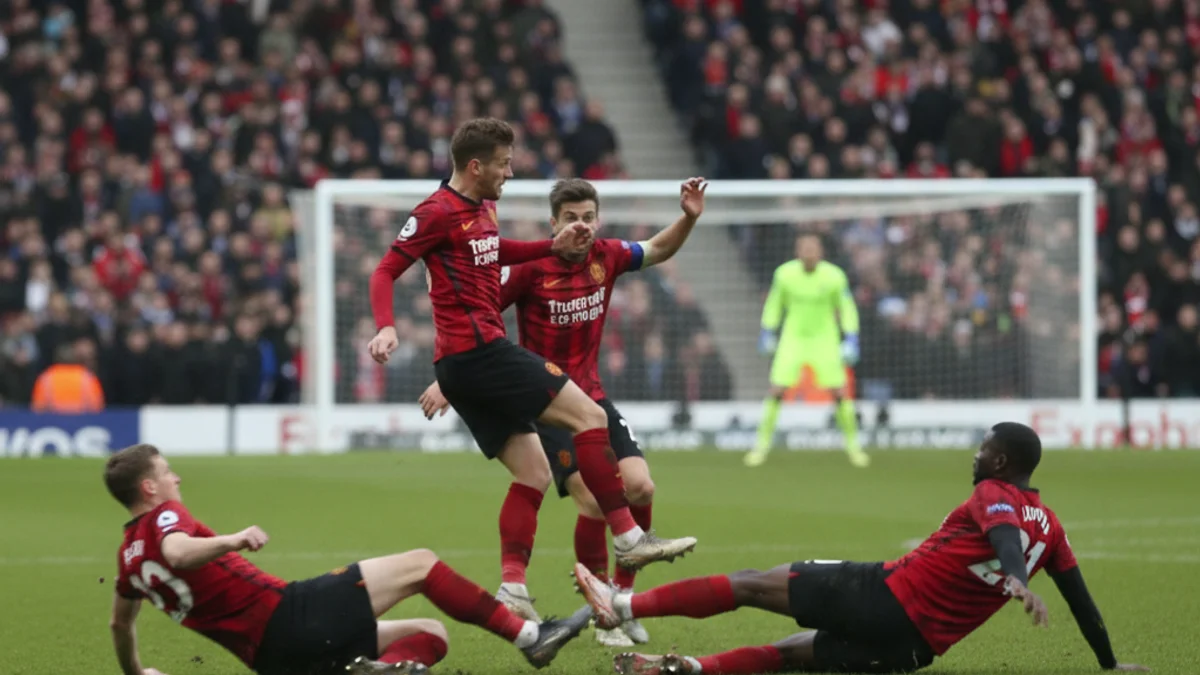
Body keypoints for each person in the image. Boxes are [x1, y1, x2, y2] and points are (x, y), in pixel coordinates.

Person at [367, 118, 697, 622]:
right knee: (589, 418)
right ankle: (628, 538)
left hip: (464, 363)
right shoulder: (435, 212)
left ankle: (514, 589)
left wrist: (553, 245)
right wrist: (387, 326)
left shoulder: (485, 211)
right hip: (481, 353)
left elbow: (492, 253)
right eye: (503, 163)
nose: (511, 172)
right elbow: (386, 268)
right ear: (476, 166)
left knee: (533, 472)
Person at [574, 423, 1150, 675]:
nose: (976, 456)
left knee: (752, 582)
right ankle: (695, 669)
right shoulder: (1052, 526)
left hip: (881, 594)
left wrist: (1018, 577)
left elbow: (1002, 535)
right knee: (790, 656)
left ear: (1001, 462)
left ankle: (622, 607)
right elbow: (1081, 600)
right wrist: (1107, 661)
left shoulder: (993, 493)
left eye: (983, 448)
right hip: (913, 651)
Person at [419, 177, 707, 645]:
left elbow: (657, 249)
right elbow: (477, 318)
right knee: (594, 500)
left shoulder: (608, 256)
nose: (581, 226)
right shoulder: (531, 267)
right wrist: (451, 379)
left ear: (598, 221)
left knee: (640, 485)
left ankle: (621, 598)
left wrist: (690, 217)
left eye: (588, 217)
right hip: (547, 405)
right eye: (571, 218)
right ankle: (601, 611)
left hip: (592, 396)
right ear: (554, 223)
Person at [106, 443, 593, 675]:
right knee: (421, 564)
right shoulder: (165, 518)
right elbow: (177, 551)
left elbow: (120, 626)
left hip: (272, 662)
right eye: (168, 474)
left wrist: (136, 673)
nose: (177, 481)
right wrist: (231, 540)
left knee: (432, 635)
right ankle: (532, 637)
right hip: (289, 616)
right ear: (149, 487)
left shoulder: (128, 561)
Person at [745, 233, 868, 469]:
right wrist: (767, 331)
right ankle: (761, 446)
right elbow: (774, 304)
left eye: (813, 248)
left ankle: (854, 447)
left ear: (820, 252)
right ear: (797, 251)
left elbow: (846, 307)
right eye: (804, 248)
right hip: (793, 339)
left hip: (825, 339)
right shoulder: (784, 275)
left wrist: (851, 336)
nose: (809, 253)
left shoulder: (834, 276)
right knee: (777, 390)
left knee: (839, 392)